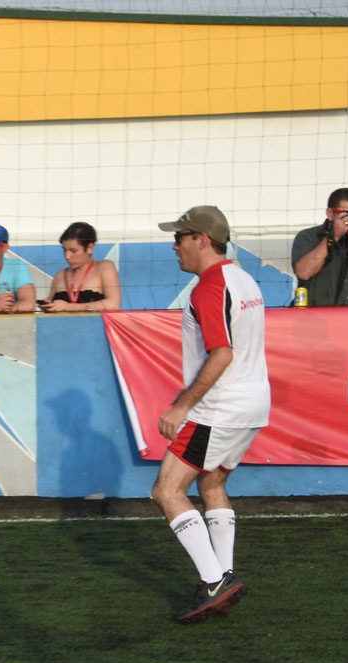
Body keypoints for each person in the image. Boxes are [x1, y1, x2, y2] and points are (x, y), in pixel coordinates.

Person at [150, 206, 269, 625]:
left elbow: (222, 353)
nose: (174, 245)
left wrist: (182, 404)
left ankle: (213, 580)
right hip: (254, 404)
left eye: (180, 236)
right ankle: (225, 574)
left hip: (221, 407)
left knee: (167, 491)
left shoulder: (210, 286)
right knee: (212, 482)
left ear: (201, 239)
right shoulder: (244, 278)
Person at [291, 187, 348, 306]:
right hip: (318, 317)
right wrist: (333, 237)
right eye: (346, 214)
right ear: (330, 214)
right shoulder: (309, 237)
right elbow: (303, 273)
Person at [39, 221, 122, 313]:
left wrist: (69, 307)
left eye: (73, 251)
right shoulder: (60, 275)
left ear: (90, 248)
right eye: (64, 250)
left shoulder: (104, 267)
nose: (67, 256)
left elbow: (113, 304)